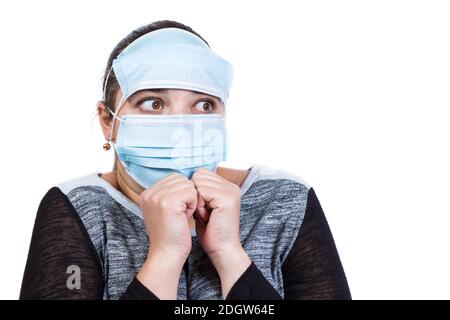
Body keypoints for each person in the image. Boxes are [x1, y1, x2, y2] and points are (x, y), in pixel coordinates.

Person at [20, 20, 351, 300]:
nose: (180, 124)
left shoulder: (285, 202)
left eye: (204, 105)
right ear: (108, 121)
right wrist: (164, 257)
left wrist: (229, 254)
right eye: (152, 103)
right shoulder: (76, 207)